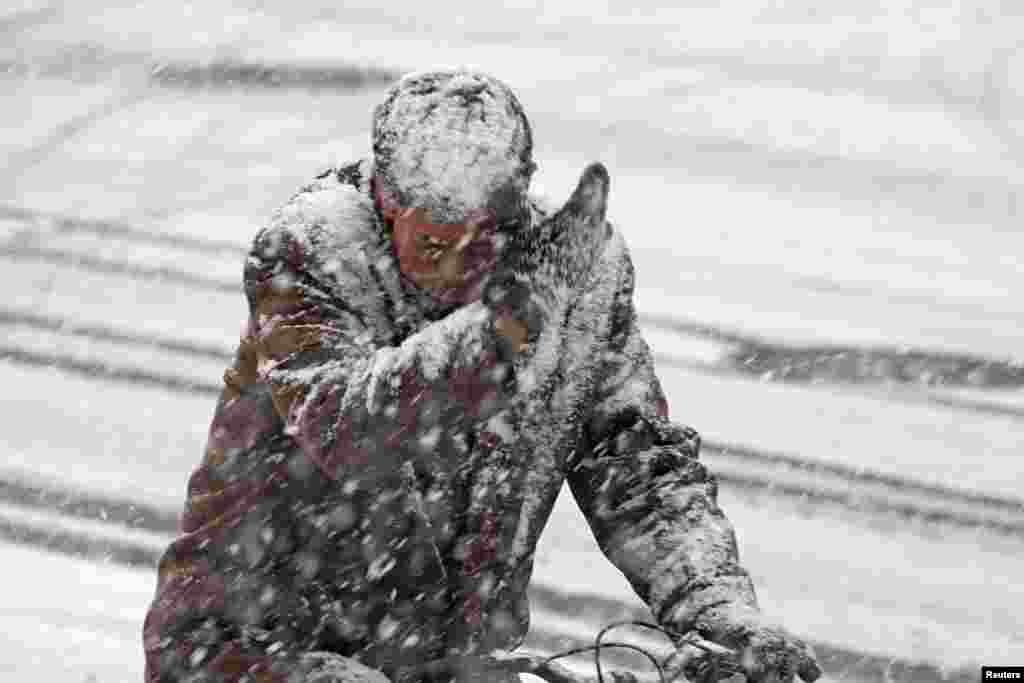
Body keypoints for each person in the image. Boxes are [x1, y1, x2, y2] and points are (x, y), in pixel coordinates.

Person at [143, 68, 822, 683]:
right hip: (249, 651)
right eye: (434, 242)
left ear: (521, 205)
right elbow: (350, 428)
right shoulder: (309, 255)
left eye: (487, 237)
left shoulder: (569, 272)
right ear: (384, 201)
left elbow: (634, 463)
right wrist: (500, 331)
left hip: (451, 660)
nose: (462, 266)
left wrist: (717, 608)